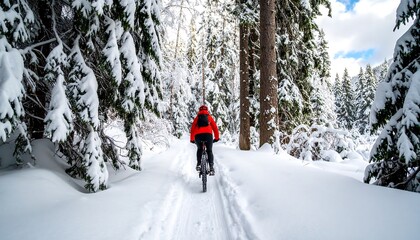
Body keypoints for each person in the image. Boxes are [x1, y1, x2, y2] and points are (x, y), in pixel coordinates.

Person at [190, 105, 220, 175]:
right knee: (209, 150)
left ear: (199, 110)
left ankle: (199, 164)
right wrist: (216, 138)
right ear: (207, 110)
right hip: (208, 136)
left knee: (199, 149)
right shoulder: (209, 117)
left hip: (198, 136)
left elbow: (192, 129)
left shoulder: (197, 118)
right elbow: (215, 128)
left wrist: (192, 139)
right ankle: (211, 168)